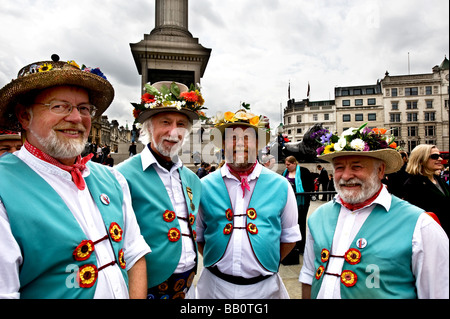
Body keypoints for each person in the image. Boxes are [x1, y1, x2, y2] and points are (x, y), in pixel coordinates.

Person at [0, 55, 150, 299]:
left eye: (83, 108)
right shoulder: (4, 189)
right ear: (24, 116)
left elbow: (134, 254)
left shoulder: (113, 179)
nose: (76, 118)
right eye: (59, 106)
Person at [299, 124, 448, 299]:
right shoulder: (318, 217)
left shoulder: (421, 225)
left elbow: (438, 293)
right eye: (339, 167)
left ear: (380, 170)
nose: (346, 176)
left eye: (356, 166)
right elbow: (309, 276)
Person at [196, 108, 301, 299]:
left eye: (248, 137)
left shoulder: (281, 186)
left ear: (258, 144)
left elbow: (290, 236)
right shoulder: (204, 186)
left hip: (265, 289)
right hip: (214, 288)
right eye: (232, 137)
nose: (240, 144)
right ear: (222, 144)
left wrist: (266, 261)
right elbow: (199, 236)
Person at [117, 81, 204, 299]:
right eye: (165, 122)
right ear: (148, 126)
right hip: (145, 288)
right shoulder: (121, 175)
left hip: (187, 288)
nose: (174, 132)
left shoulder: (192, 179)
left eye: (181, 124)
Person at [403, 144, 449, 236]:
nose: (440, 159)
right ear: (421, 160)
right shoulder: (413, 184)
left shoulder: (437, 179)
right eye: (434, 156)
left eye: (440, 156)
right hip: (431, 236)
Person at [282, 155, 313, 257]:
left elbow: (310, 185)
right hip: (288, 202)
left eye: (288, 164)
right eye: (286, 164)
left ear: (294, 163)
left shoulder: (304, 171)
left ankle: (301, 245)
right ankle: (291, 244)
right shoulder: (284, 173)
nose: (287, 166)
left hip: (301, 202)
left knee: (301, 222)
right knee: (289, 223)